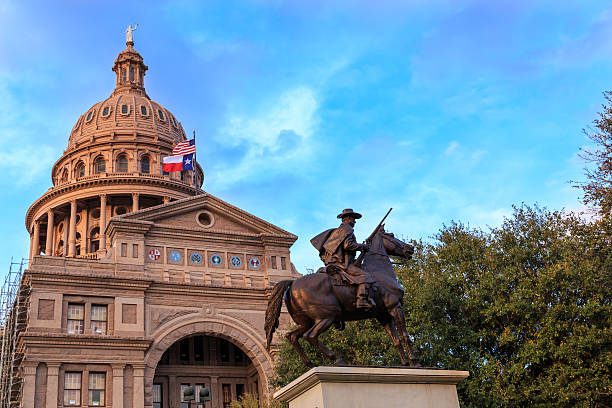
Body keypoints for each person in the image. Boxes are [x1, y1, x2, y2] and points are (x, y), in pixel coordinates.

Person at [311, 209, 375, 310]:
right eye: (353, 219)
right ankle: (361, 300)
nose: (355, 221)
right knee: (366, 276)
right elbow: (347, 245)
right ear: (348, 218)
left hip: (334, 262)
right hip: (342, 264)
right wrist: (362, 246)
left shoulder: (337, 231)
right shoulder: (348, 229)